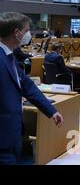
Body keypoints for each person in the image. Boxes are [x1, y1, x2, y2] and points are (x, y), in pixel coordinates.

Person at [0, 12, 63, 164]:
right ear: (16, 33)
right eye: (26, 30)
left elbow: (27, 85)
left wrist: (51, 110)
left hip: (12, 135)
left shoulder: (9, 56)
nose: (28, 34)